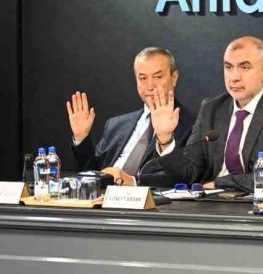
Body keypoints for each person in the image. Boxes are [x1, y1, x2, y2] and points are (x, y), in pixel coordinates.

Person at [159, 36, 263, 192]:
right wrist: (165, 140)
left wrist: (218, 183)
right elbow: (188, 174)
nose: (234, 77)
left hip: (257, 200)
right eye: (229, 67)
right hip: (208, 200)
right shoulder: (211, 109)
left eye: (244, 68)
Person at [66, 47, 194, 186]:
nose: (150, 86)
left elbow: (183, 177)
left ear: (174, 78)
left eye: (157, 77)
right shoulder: (116, 125)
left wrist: (133, 182)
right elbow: (91, 175)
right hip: (105, 196)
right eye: (143, 78)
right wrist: (81, 139)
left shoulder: (192, 124)